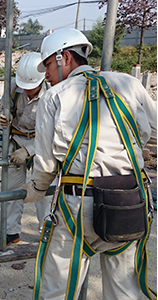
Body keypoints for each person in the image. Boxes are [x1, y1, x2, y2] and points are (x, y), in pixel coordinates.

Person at [22, 28, 157, 299]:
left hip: (78, 205)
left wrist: (35, 189)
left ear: (65, 58)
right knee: (125, 290)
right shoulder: (129, 84)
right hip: (128, 198)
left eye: (48, 65)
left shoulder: (55, 96)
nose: (45, 74)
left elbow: (47, 163)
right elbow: (150, 131)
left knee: (57, 290)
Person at [0, 52, 51, 247]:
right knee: (11, 190)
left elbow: (53, 133)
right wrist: (4, 117)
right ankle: (11, 232)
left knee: (43, 191)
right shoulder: (14, 87)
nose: (28, 91)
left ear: (42, 80)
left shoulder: (52, 94)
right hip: (17, 139)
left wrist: (28, 151)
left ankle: (46, 232)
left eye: (32, 87)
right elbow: (4, 107)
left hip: (41, 144)